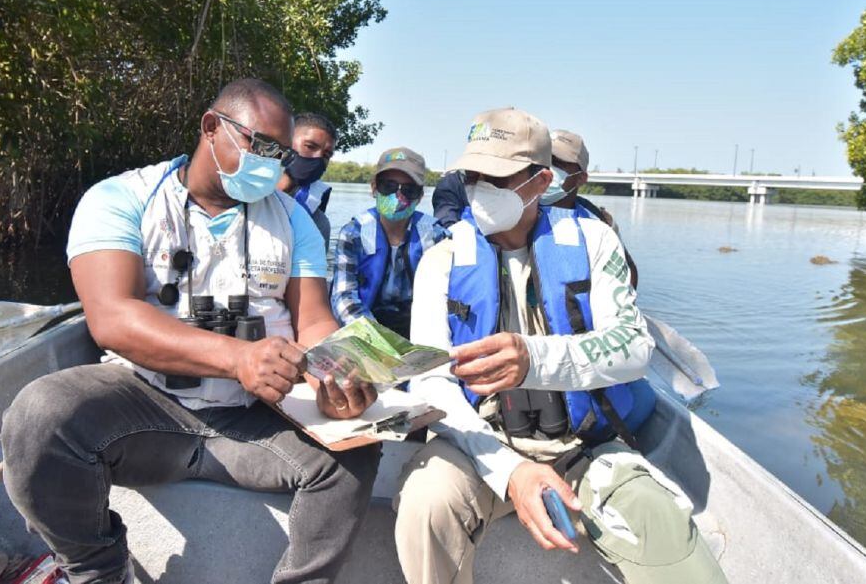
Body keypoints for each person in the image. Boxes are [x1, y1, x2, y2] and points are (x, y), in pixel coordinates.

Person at [0, 79, 380, 584]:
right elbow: (111, 317)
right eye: (260, 146)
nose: (273, 164)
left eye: (282, 154)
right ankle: (98, 571)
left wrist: (337, 376)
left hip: (256, 417)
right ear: (211, 128)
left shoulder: (296, 221)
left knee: (357, 448)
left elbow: (313, 320)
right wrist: (238, 359)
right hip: (144, 405)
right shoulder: (120, 198)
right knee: (39, 415)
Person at [394, 107, 727, 584]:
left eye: (497, 176)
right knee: (425, 502)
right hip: (481, 445)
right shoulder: (441, 260)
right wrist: (512, 471)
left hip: (584, 447)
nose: (479, 188)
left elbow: (635, 348)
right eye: (472, 175)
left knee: (663, 526)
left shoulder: (594, 241)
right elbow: (432, 383)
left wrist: (534, 359)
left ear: (541, 180)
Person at [330, 147, 443, 338]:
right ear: (374, 188)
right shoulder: (353, 234)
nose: (398, 196)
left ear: (420, 196)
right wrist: (377, 339)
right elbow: (344, 296)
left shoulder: (437, 236)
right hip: (365, 328)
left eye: (409, 190)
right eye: (389, 186)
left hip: (418, 328)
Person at [542, 128, 639, 288]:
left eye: (558, 163)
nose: (548, 169)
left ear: (581, 178)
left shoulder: (598, 222)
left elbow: (628, 273)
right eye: (545, 161)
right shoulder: (519, 210)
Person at [278, 112, 337, 249]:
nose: (318, 157)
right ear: (286, 141)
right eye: (310, 146)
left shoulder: (318, 223)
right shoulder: (247, 196)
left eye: (326, 155)